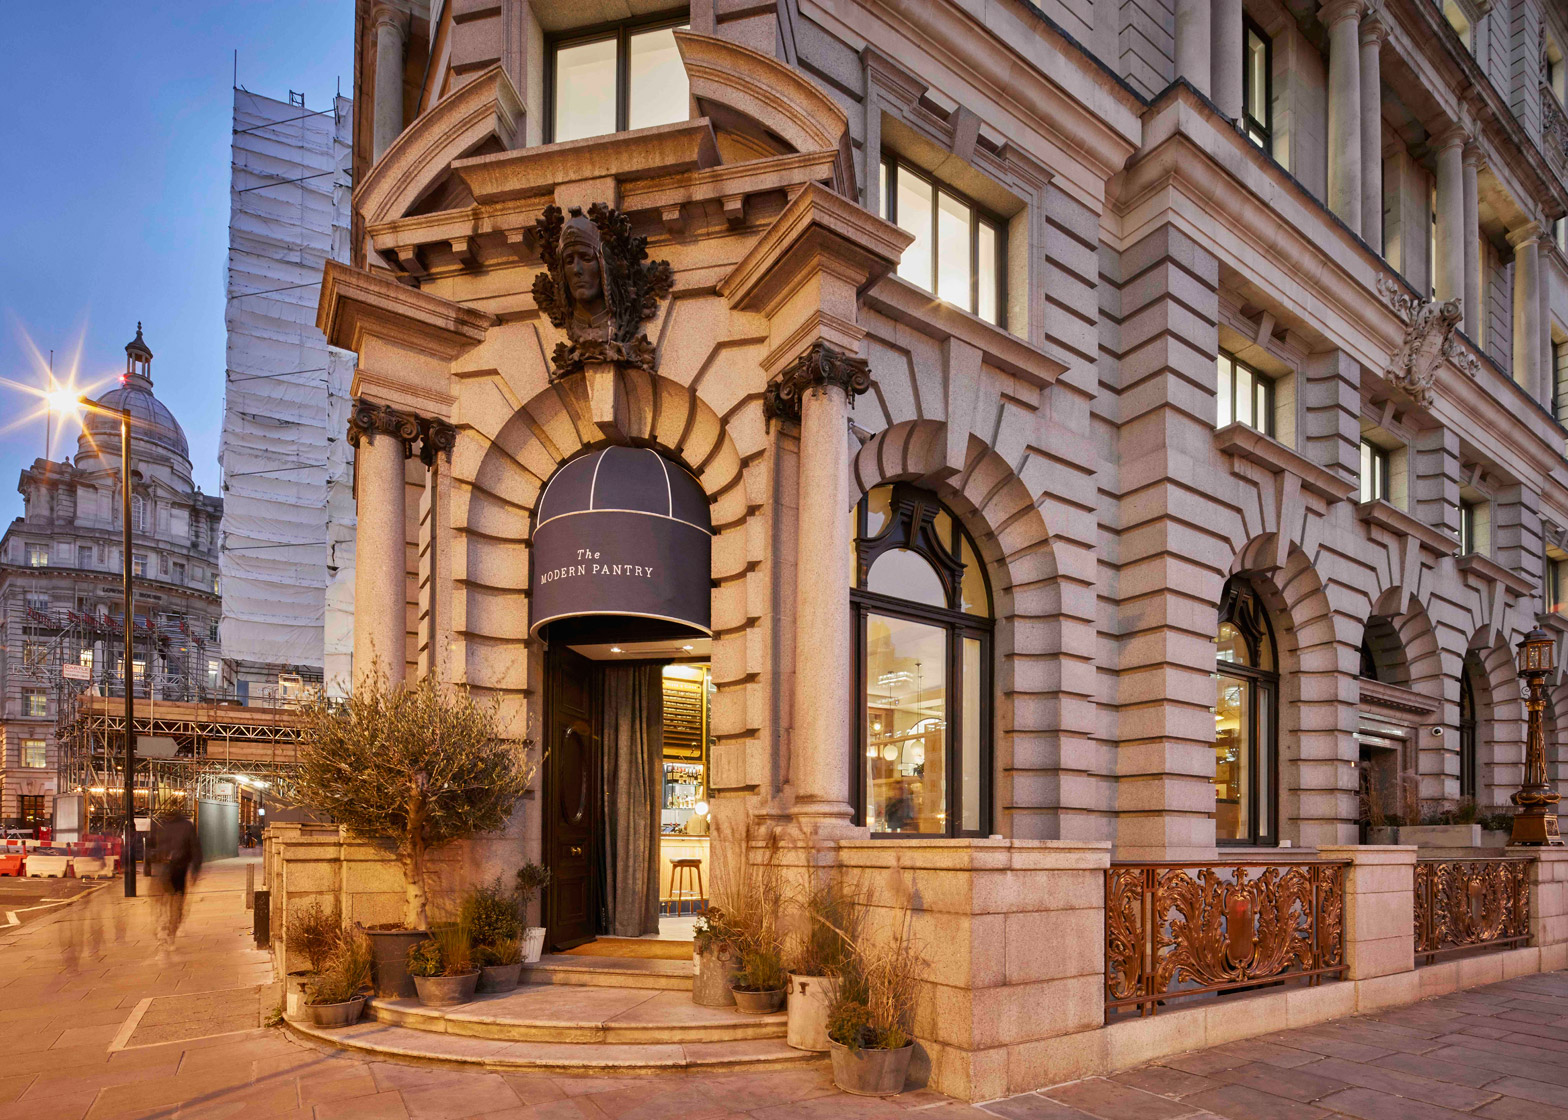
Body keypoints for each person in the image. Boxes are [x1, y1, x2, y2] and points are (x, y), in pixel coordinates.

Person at [153, 807, 202, 944]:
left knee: (166, 898)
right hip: (180, 868)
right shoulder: (187, 826)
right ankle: (171, 931)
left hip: (166, 868)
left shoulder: (164, 826)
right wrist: (195, 869)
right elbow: (195, 848)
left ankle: (165, 925)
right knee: (177, 900)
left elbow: (159, 848)